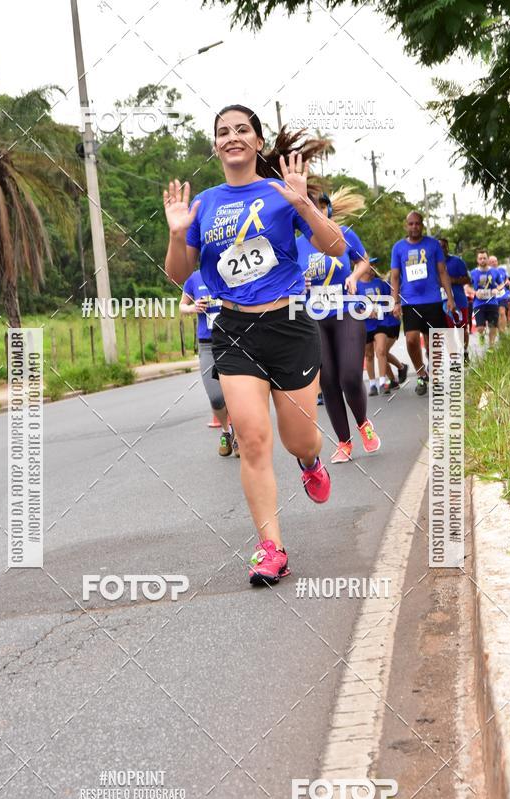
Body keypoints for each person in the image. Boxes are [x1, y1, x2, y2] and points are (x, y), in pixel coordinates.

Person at [164, 105, 347, 586]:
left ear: (258, 142)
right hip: (233, 328)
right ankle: (271, 548)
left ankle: (310, 461)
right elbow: (180, 275)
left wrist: (305, 205)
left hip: (289, 325)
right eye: (223, 132)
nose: (232, 137)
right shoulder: (204, 205)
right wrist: (177, 234)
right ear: (215, 146)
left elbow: (336, 248)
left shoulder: (281, 194)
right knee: (251, 439)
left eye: (241, 129)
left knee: (298, 439)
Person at [296, 188, 381, 464]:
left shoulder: (343, 234)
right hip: (313, 317)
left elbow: (363, 260)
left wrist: (355, 276)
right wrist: (297, 283)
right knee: (329, 381)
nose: (316, 213)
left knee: (349, 377)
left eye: (320, 207)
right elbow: (285, 277)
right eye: (310, 208)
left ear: (326, 211)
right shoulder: (296, 244)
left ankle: (363, 422)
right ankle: (344, 442)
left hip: (347, 311)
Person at [390, 212, 456, 396]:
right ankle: (420, 374)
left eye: (417, 223)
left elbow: (442, 272)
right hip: (410, 302)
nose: (414, 227)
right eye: (411, 224)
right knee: (411, 339)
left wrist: (450, 299)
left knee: (434, 342)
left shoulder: (433, 245)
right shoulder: (398, 248)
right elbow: (395, 277)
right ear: (406, 226)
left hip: (433, 300)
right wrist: (395, 302)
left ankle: (435, 376)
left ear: (422, 225)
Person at [180, 269, 239, 458]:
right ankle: (226, 430)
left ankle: (239, 435)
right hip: (207, 344)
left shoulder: (231, 269)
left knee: (236, 393)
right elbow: (182, 306)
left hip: (233, 340)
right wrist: (193, 308)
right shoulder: (193, 278)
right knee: (216, 397)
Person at [356, 265, 408, 395]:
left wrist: (393, 306)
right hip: (365, 324)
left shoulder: (380, 283)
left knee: (381, 350)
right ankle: (372, 384)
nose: (373, 268)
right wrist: (363, 311)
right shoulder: (356, 285)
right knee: (369, 354)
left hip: (381, 322)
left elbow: (391, 296)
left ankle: (383, 383)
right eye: (370, 266)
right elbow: (352, 303)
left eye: (374, 266)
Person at [439, 238, 471, 363]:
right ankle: (454, 358)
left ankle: (465, 351)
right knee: (448, 331)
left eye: (443, 246)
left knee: (462, 329)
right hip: (442, 303)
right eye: (439, 247)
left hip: (459, 301)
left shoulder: (457, 261)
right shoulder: (432, 264)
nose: (441, 249)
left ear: (447, 248)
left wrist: (453, 280)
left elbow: (467, 279)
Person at [470, 250, 503, 347]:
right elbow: (466, 286)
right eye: (480, 258)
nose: (482, 260)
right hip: (478, 303)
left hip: (492, 302)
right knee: (480, 327)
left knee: (493, 326)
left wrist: (497, 289)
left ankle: (491, 346)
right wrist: (474, 292)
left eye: (484, 258)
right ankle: (481, 335)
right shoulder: (472, 273)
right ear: (477, 260)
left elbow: (501, 284)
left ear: (488, 259)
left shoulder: (494, 271)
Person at [488, 254, 510, 331]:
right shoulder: (486, 272)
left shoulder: (502, 270)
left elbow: (507, 279)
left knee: (502, 312)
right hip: (492, 296)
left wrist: (508, 282)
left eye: (495, 261)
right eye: (492, 262)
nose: (494, 263)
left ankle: (503, 330)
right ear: (488, 263)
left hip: (502, 295)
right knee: (497, 315)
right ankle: (499, 330)